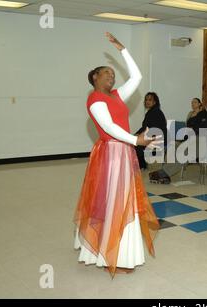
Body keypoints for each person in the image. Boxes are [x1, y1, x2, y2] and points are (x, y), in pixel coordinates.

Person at [74, 32, 160, 276]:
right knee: (113, 201)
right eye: (106, 73)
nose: (111, 77)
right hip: (111, 152)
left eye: (113, 74)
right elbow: (110, 127)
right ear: (94, 77)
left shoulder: (115, 95)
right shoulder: (95, 98)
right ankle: (110, 254)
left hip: (122, 152)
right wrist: (136, 140)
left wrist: (123, 49)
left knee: (123, 201)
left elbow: (137, 76)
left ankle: (119, 252)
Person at [135, 92, 167, 170]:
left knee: (137, 144)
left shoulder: (156, 112)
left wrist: (139, 136)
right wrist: (136, 134)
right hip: (153, 136)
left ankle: (142, 166)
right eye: (146, 100)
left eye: (150, 100)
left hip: (157, 139)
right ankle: (141, 165)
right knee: (135, 141)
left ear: (154, 102)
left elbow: (153, 129)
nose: (147, 101)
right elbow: (144, 127)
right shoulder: (150, 112)